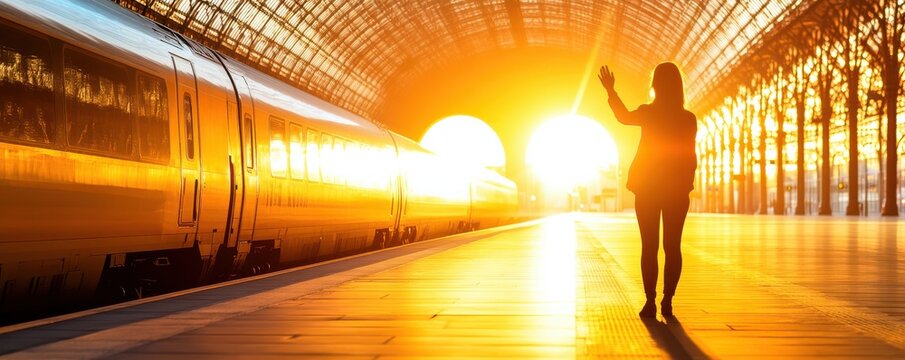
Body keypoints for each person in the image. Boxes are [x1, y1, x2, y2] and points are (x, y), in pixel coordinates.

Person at [598, 63, 697, 317]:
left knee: (649, 246)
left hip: (648, 188)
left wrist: (611, 91)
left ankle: (650, 301)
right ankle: (668, 301)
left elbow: (623, 117)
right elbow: (690, 156)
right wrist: (686, 184)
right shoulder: (688, 119)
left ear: (655, 85)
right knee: (673, 247)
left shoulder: (648, 113)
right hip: (676, 192)